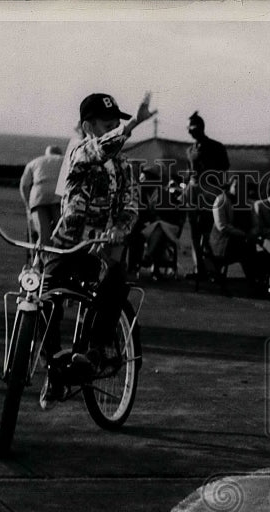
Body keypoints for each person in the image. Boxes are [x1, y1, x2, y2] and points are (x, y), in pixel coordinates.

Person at [40, 91, 156, 408]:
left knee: (115, 280)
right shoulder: (79, 152)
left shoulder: (126, 168)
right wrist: (131, 126)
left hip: (100, 249)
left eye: (116, 123)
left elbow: (130, 207)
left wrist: (120, 229)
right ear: (88, 126)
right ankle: (53, 370)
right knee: (41, 298)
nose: (113, 129)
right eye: (107, 124)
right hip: (66, 245)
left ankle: (95, 351)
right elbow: (100, 149)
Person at [186, 111, 230, 280]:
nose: (190, 130)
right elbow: (190, 172)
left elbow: (224, 167)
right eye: (189, 127)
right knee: (195, 231)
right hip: (193, 192)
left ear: (200, 127)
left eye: (193, 126)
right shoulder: (189, 150)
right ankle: (199, 269)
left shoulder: (216, 147)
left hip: (210, 192)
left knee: (209, 230)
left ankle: (213, 269)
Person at [210, 175, 262, 289]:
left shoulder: (249, 203)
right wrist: (243, 234)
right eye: (236, 186)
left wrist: (252, 233)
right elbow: (222, 226)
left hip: (244, 240)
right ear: (230, 187)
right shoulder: (221, 200)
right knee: (247, 249)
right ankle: (254, 282)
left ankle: (257, 281)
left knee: (261, 251)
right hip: (224, 241)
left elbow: (256, 224)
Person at [20, 145, 64, 246]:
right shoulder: (65, 160)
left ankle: (40, 259)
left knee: (44, 234)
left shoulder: (34, 162)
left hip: (38, 196)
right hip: (58, 196)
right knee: (61, 232)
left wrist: (28, 205)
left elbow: (24, 185)